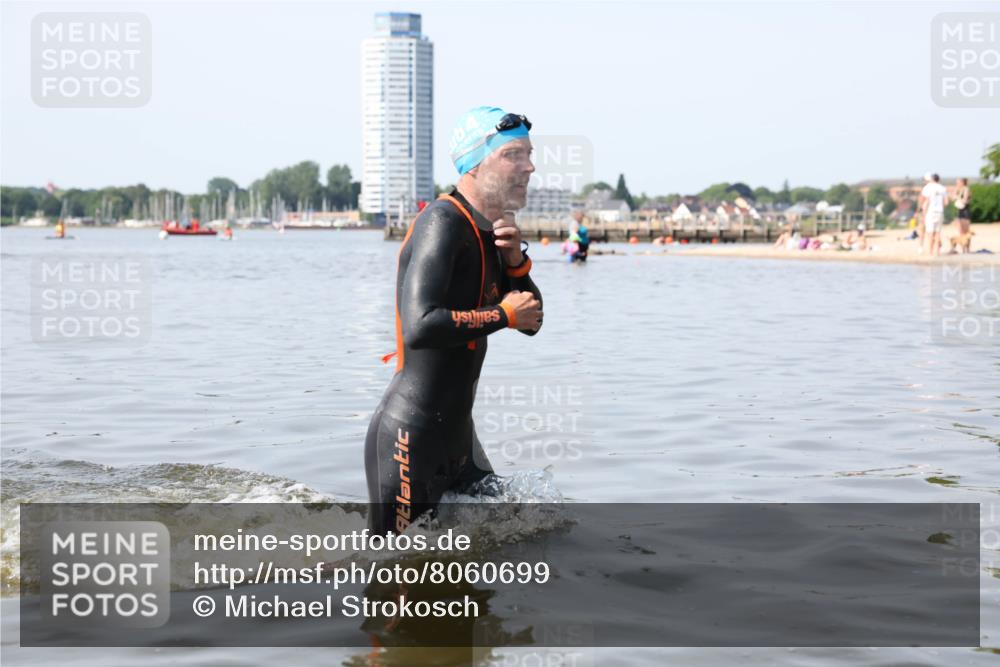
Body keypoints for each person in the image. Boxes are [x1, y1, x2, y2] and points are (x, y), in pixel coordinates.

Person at [365, 107, 544, 535]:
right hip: (411, 436)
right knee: (394, 570)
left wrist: (516, 263)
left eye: (529, 154)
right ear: (476, 162)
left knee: (523, 527)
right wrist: (502, 314)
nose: (529, 166)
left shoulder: (491, 231)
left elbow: (533, 319)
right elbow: (420, 326)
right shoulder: (442, 223)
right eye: (514, 155)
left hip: (459, 440)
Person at [918, 173, 948, 257]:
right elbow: (946, 202)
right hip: (940, 211)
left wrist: (923, 212)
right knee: (937, 232)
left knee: (930, 233)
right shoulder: (943, 188)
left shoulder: (928, 187)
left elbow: (926, 201)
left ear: (932, 179)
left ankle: (931, 252)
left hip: (930, 212)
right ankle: (937, 252)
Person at [949, 177, 972, 253]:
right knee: (961, 231)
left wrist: (957, 197)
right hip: (960, 211)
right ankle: (963, 249)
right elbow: (952, 198)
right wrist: (955, 192)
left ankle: (967, 249)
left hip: (965, 211)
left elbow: (965, 201)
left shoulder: (966, 189)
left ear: (962, 183)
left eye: (958, 182)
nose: (957, 184)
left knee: (966, 232)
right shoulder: (959, 190)